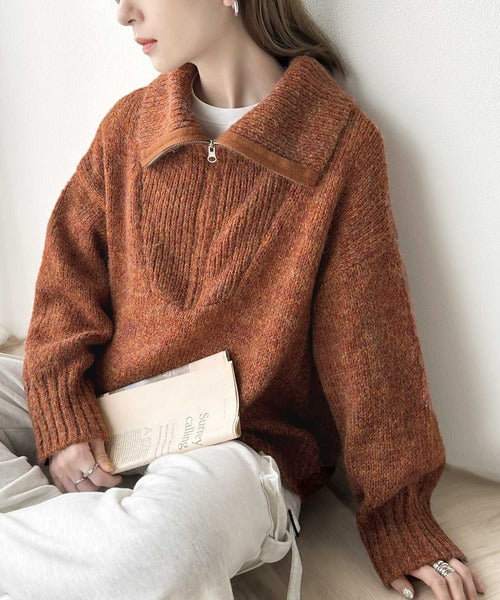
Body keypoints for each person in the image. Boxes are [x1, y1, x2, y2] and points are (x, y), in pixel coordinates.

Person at [0, 1, 486, 599]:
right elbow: (66, 285)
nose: (124, 14)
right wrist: (64, 416)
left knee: (155, 556)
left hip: (235, 448)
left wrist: (400, 518)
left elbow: (367, 346)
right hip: (110, 405)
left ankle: (72, 549)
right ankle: (75, 542)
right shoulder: (128, 128)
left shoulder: (337, 145)